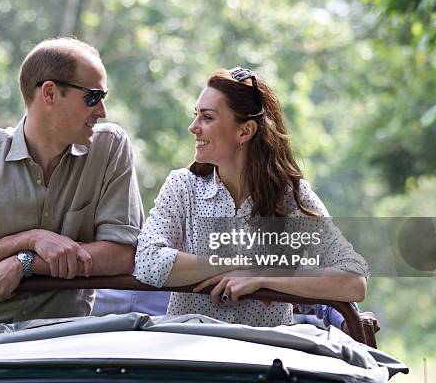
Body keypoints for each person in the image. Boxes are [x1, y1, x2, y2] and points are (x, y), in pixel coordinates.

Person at [0, 37, 144, 329]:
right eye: (92, 96)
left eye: (104, 97)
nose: (101, 111)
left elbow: (124, 255)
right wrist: (30, 239)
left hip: (62, 339)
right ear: (50, 93)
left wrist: (24, 263)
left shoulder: (110, 149)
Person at [134, 67, 369, 327]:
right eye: (196, 116)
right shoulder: (182, 187)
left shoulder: (292, 197)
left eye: (207, 118)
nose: (193, 127)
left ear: (245, 131)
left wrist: (263, 276)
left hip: (264, 360)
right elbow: (147, 261)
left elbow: (354, 281)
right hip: (191, 355)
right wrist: (237, 263)